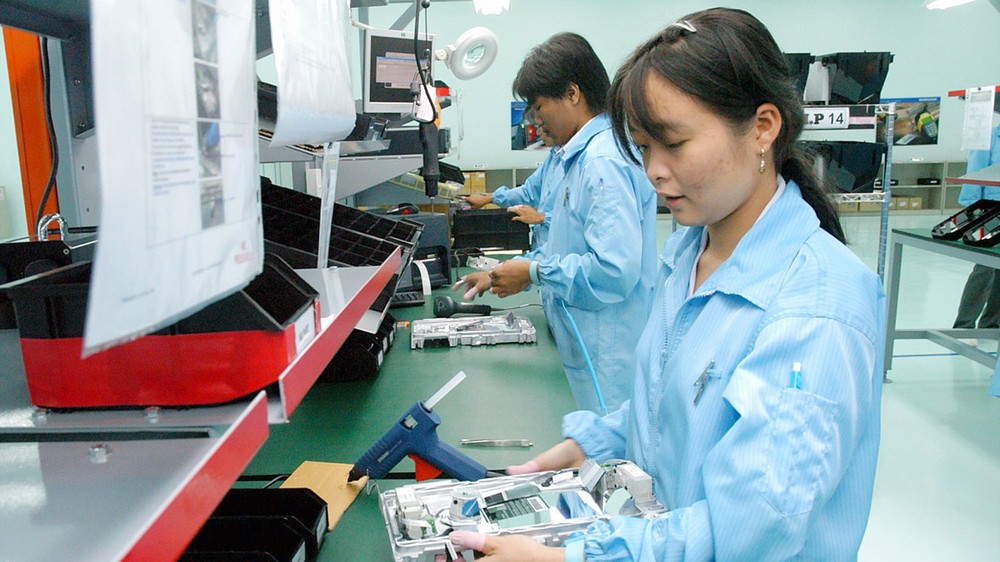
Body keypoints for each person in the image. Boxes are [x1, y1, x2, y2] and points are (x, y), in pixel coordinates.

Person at [447, 8, 885, 561]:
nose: (652, 171)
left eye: (672, 144)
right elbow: (675, 401)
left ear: (763, 128)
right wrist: (597, 440)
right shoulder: (691, 249)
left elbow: (747, 533)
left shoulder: (813, 313)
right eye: (644, 147)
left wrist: (571, 558)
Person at [454, 32, 658, 414]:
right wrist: (504, 273)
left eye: (538, 105)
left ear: (573, 93)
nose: (535, 118)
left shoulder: (601, 163)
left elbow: (614, 271)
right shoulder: (573, 157)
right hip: (583, 338)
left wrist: (533, 272)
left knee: (610, 463)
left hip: (605, 353)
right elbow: (563, 244)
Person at [463, 128, 563, 251]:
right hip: (542, 250)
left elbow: (580, 220)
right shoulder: (554, 157)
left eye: (543, 125)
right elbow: (528, 192)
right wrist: (490, 198)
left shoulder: (583, 162)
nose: (537, 133)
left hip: (561, 253)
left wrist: (542, 217)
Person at [952, 120, 1000, 341]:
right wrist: (972, 208)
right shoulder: (991, 137)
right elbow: (975, 171)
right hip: (991, 209)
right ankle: (964, 325)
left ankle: (991, 324)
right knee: (985, 269)